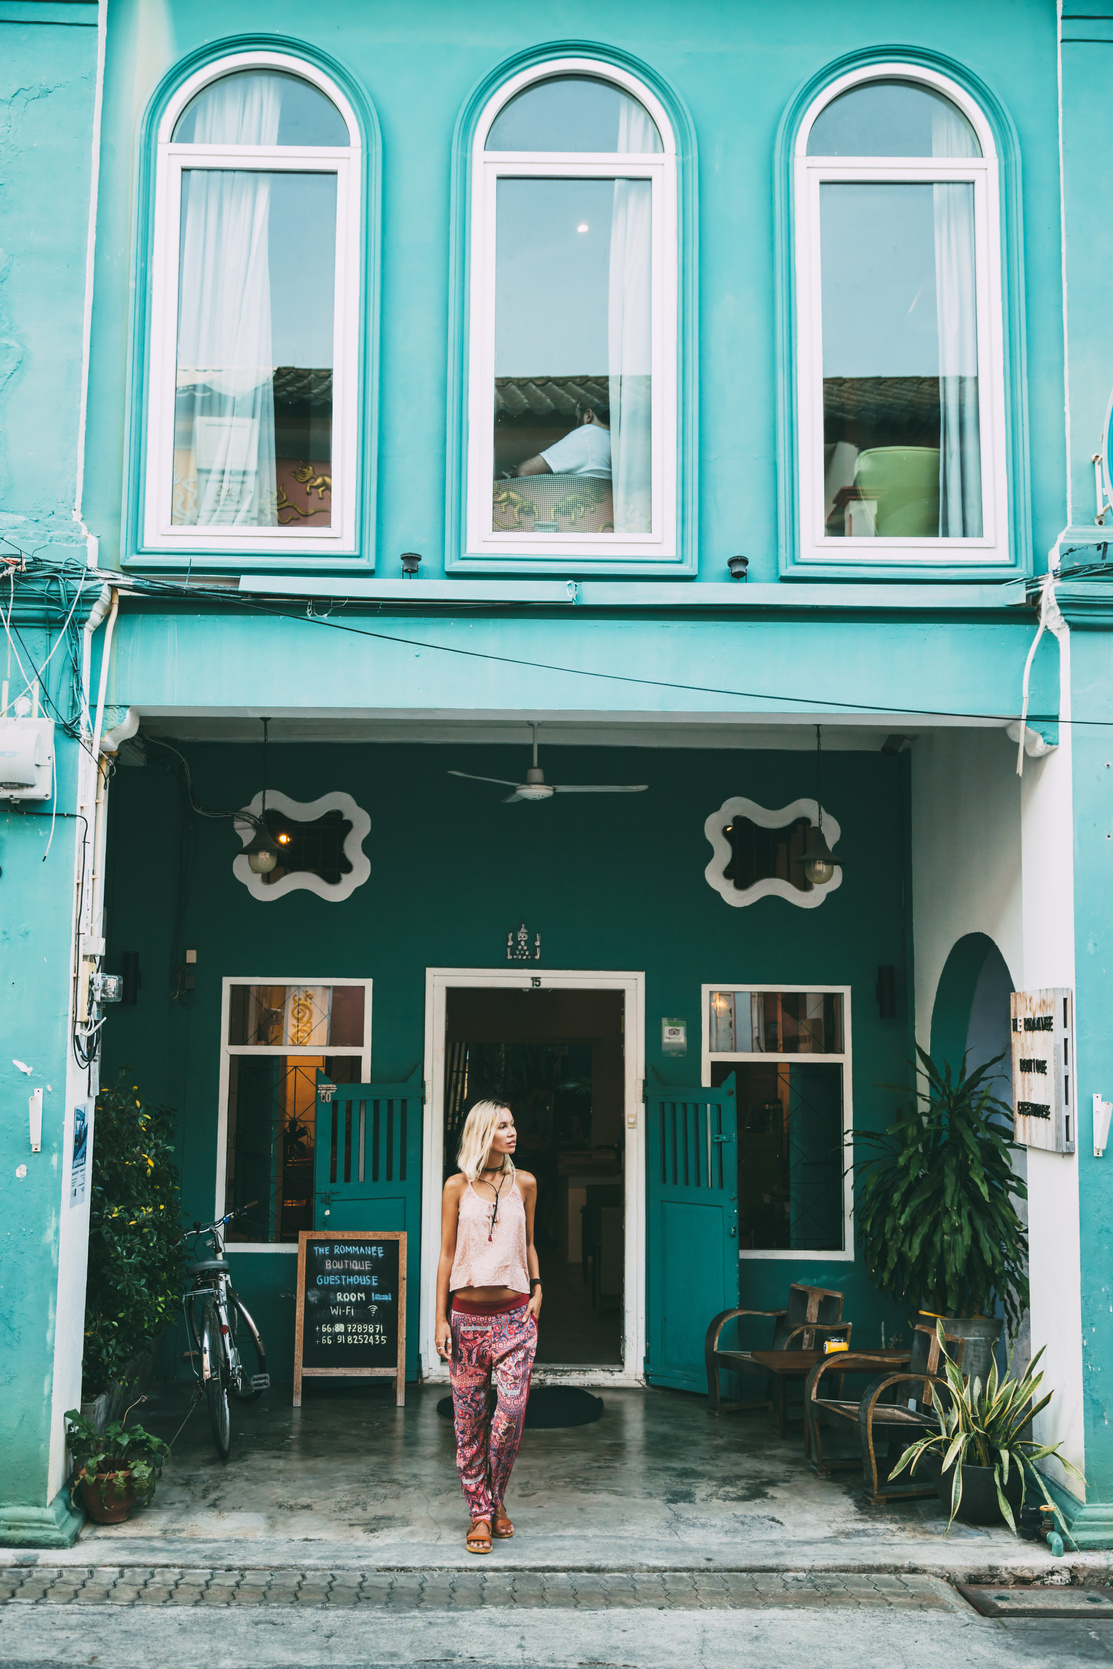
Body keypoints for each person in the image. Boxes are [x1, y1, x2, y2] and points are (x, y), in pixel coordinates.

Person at [435, 1100, 542, 1555]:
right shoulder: (456, 1187)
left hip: (516, 1316)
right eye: (502, 1125)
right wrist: (439, 1317)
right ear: (483, 1132)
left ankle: (494, 1497)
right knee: (468, 1421)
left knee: (510, 1415)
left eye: (513, 1123)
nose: (512, 1131)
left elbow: (530, 1243)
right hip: (467, 1320)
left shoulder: (526, 1183)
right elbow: (445, 1254)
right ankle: (482, 1511)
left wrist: (539, 1290)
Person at [515, 400, 611, 479]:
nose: (577, 426)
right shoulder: (616, 439)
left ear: (588, 415)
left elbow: (524, 471)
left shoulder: (588, 434)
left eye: (578, 419)